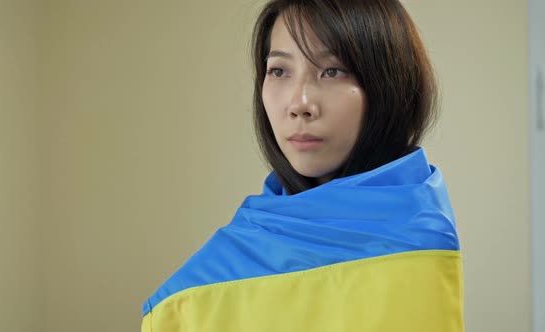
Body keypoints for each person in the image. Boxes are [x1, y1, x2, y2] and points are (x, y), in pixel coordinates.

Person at [141, 0, 464, 331]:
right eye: (279, 71)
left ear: (389, 85)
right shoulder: (185, 299)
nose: (300, 104)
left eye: (333, 70)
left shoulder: (420, 240)